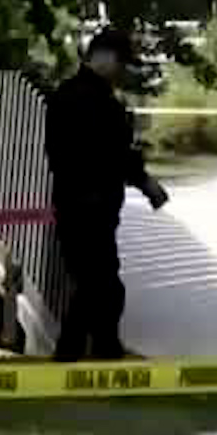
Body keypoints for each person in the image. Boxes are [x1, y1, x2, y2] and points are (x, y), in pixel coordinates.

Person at [45, 29, 169, 362]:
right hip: (87, 206)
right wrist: (144, 181)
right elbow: (109, 153)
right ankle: (78, 353)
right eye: (120, 62)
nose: (121, 71)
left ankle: (100, 351)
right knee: (100, 287)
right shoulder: (91, 100)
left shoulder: (74, 95)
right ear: (103, 57)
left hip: (82, 205)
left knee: (100, 287)